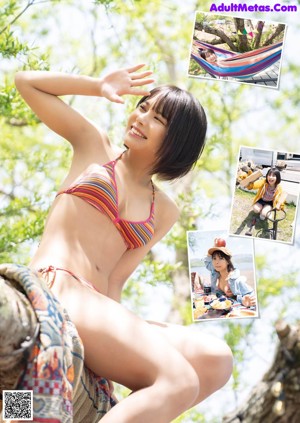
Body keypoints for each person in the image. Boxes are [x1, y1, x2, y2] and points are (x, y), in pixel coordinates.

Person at [15, 64, 233, 423]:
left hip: (97, 308)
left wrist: (112, 364)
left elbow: (115, 281)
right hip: (57, 286)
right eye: (142, 106)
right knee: (177, 380)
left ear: (177, 140)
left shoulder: (163, 209)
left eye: (156, 117)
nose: (141, 117)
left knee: (215, 359)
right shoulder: (93, 146)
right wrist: (97, 85)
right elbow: (27, 83)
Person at [204, 240, 256, 308]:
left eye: (221, 258)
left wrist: (243, 300)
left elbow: (251, 296)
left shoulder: (235, 280)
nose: (217, 262)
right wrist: (214, 295)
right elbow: (206, 261)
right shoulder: (215, 273)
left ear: (227, 261)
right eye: (214, 258)